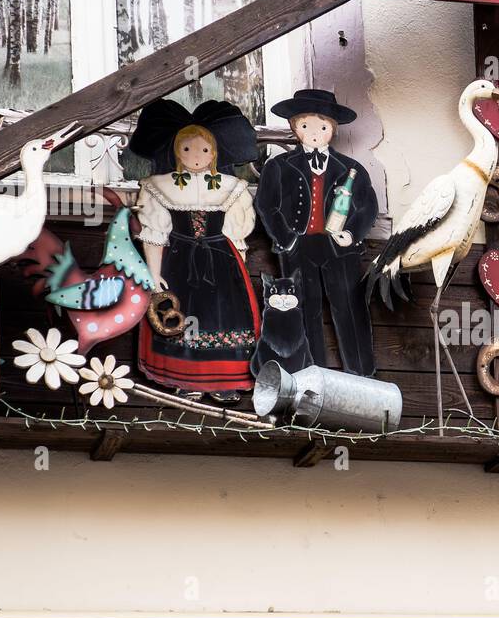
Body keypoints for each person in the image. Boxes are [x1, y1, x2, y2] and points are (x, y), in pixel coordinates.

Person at [127, 99, 261, 399]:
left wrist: (238, 270)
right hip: (179, 261)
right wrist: (153, 274)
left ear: (213, 153)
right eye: (187, 149)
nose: (196, 156)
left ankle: (224, 382)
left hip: (221, 262)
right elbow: (154, 234)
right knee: (181, 318)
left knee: (224, 317)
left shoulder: (231, 187)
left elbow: (237, 235)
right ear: (176, 152)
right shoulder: (159, 186)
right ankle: (185, 380)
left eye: (203, 149)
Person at [255, 89, 379, 377]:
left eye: (322, 126)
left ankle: (363, 375)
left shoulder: (351, 169)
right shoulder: (277, 167)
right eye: (305, 125)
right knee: (304, 309)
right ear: (295, 127)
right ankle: (311, 376)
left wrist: (351, 233)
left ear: (332, 130)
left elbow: (367, 206)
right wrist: (287, 239)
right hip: (298, 247)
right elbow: (266, 205)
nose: (314, 132)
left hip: (339, 249)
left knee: (349, 307)